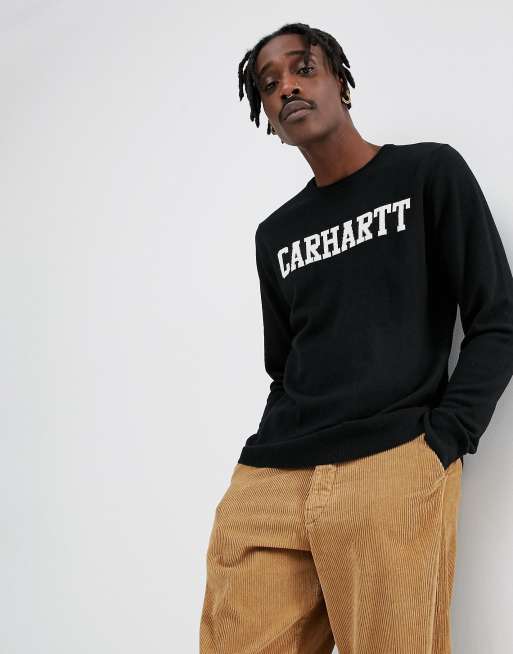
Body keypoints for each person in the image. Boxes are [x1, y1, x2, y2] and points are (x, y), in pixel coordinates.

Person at [199, 22, 513, 654]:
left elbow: (497, 318)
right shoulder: (275, 236)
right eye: (268, 84)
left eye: (302, 68)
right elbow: (284, 367)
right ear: (267, 117)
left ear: (339, 80)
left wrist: (443, 440)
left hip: (391, 460)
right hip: (272, 477)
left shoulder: (428, 173)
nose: (286, 87)